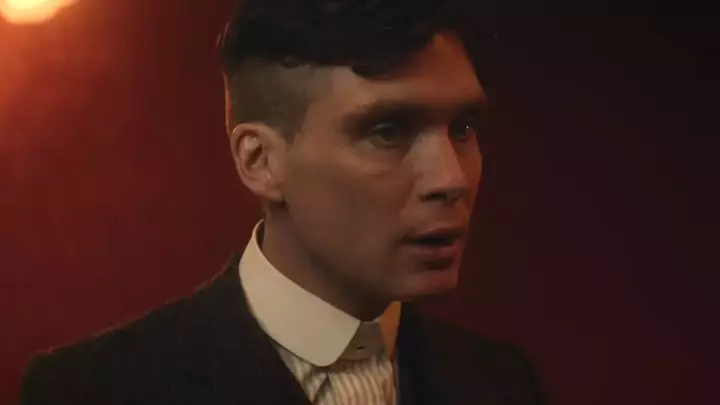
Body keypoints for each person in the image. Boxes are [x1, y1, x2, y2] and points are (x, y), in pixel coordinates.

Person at [19, 0, 548, 404]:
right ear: (259, 161)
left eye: (463, 128)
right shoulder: (93, 391)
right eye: (387, 131)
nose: (450, 178)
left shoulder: (502, 383)